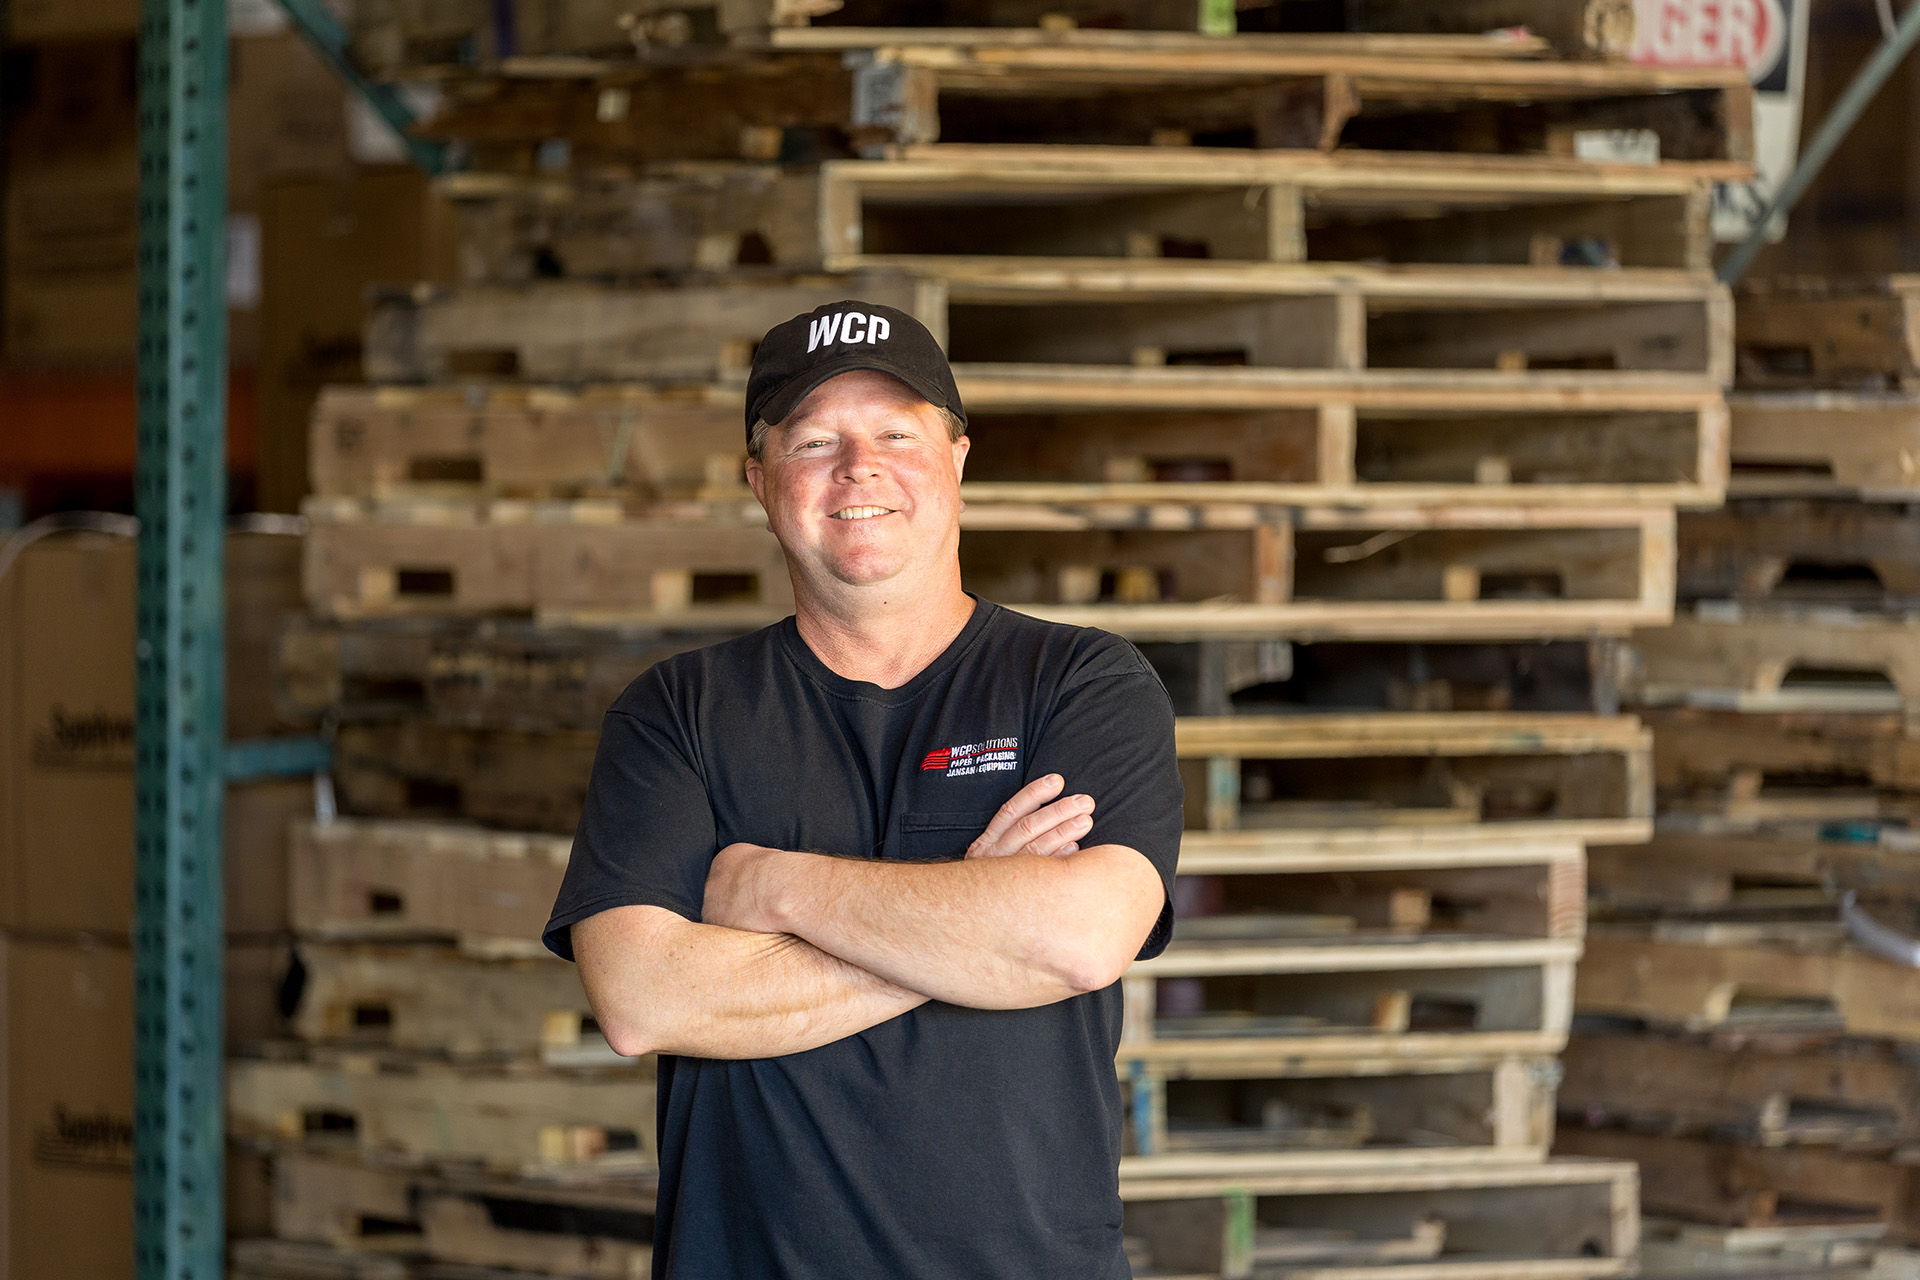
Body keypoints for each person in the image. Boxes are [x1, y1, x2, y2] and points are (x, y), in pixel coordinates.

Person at [543, 300, 1184, 1279]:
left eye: (896, 432)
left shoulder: (1083, 683)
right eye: (814, 440)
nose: (859, 466)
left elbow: (1084, 936)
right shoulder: (677, 712)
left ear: (959, 459)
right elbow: (642, 997)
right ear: (759, 480)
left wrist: (780, 888)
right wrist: (975, 919)